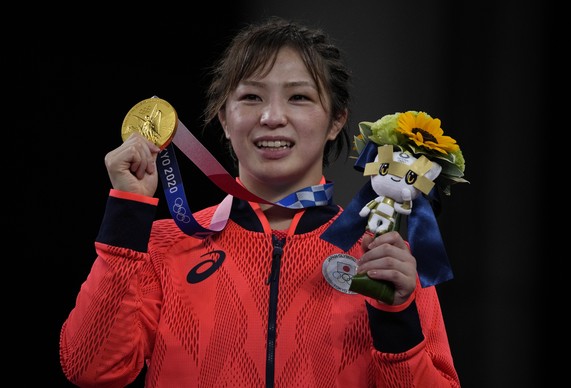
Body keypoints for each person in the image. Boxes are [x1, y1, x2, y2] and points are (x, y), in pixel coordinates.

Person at [59, 16, 461, 387]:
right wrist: (127, 215)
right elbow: (90, 368)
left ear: (336, 120)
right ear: (224, 118)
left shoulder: (385, 260)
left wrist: (397, 320)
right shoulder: (163, 246)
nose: (271, 116)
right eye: (251, 97)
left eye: (299, 97)